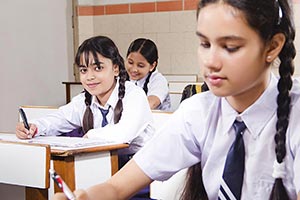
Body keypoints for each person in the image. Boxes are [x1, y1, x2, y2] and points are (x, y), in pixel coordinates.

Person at [52, 0, 300, 199]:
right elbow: (117, 187)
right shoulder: (198, 112)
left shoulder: (295, 115)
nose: (210, 61)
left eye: (230, 47)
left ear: (272, 47)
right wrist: (85, 195)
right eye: (204, 43)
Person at [16, 36, 155, 165]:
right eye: (83, 70)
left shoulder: (134, 95)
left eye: (98, 68)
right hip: (104, 166)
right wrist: (35, 127)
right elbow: (59, 118)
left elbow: (124, 133)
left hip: (141, 169)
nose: (89, 77)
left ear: (115, 68)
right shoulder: (85, 99)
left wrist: (89, 136)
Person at [125, 38, 171, 110]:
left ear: (152, 66)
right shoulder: (122, 77)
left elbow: (150, 104)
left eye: (140, 66)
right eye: (130, 62)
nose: (134, 69)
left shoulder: (159, 80)